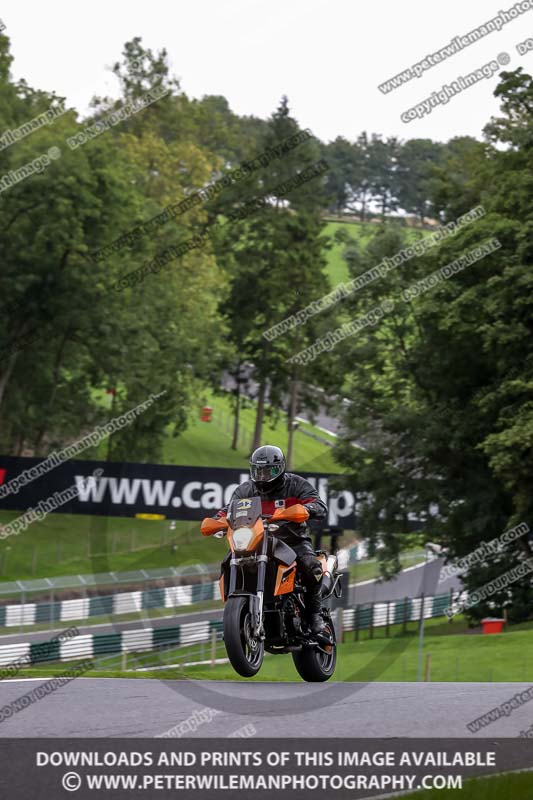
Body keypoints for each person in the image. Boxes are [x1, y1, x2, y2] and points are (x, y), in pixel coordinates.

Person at [216, 444, 328, 634]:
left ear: (280, 468)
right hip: (256, 541)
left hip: (292, 540)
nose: (263, 476)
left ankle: (314, 614)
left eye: (268, 471)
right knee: (228, 561)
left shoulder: (296, 484)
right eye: (258, 471)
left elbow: (319, 506)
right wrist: (216, 520)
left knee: (311, 566)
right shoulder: (245, 491)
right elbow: (228, 511)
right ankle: (236, 618)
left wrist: (305, 510)